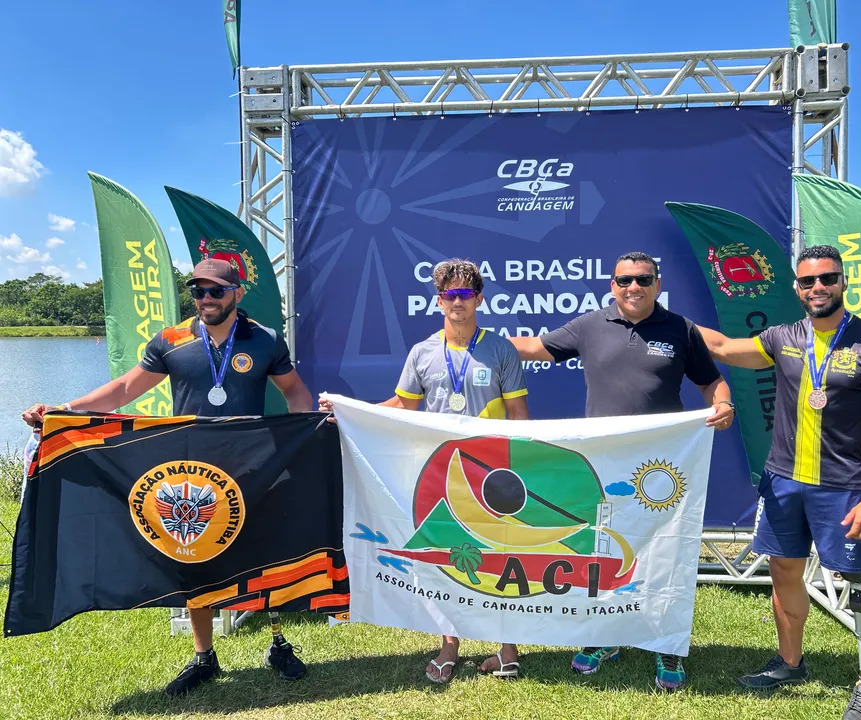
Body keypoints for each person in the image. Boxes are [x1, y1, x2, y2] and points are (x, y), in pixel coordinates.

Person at [21, 258, 316, 698]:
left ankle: (277, 643)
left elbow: (293, 391)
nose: (205, 299)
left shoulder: (266, 339)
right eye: (198, 291)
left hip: (252, 466)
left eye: (216, 291)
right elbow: (124, 390)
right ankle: (204, 657)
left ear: (237, 293)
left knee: (261, 551)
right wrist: (64, 410)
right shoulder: (172, 339)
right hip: (190, 471)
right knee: (193, 556)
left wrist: (304, 432)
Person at [697, 245, 861, 720]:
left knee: (852, 580)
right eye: (808, 281)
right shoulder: (782, 337)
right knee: (784, 573)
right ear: (796, 288)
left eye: (827, 279)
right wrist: (666, 319)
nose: (818, 288)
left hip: (846, 488)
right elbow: (723, 348)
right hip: (783, 482)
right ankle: (790, 662)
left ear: (843, 282)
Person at [509, 251, 735, 691]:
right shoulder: (591, 325)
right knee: (603, 551)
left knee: (665, 553)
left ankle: (666, 645)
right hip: (605, 463)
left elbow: (712, 381)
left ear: (657, 282)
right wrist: (473, 337)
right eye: (625, 280)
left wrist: (722, 402)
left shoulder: (681, 329)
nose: (634, 287)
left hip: (662, 465)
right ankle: (604, 636)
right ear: (612, 284)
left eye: (643, 279)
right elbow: (535, 347)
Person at [321, 259, 530, 684]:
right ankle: (448, 647)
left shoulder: (501, 349)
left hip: (492, 473)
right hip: (441, 475)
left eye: (465, 295)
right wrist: (350, 411)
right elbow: (403, 406)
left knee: (500, 557)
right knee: (445, 560)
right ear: (438, 301)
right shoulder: (423, 352)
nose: (458, 302)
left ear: (479, 299)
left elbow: (518, 415)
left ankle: (507, 651)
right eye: (449, 295)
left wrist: (518, 469)